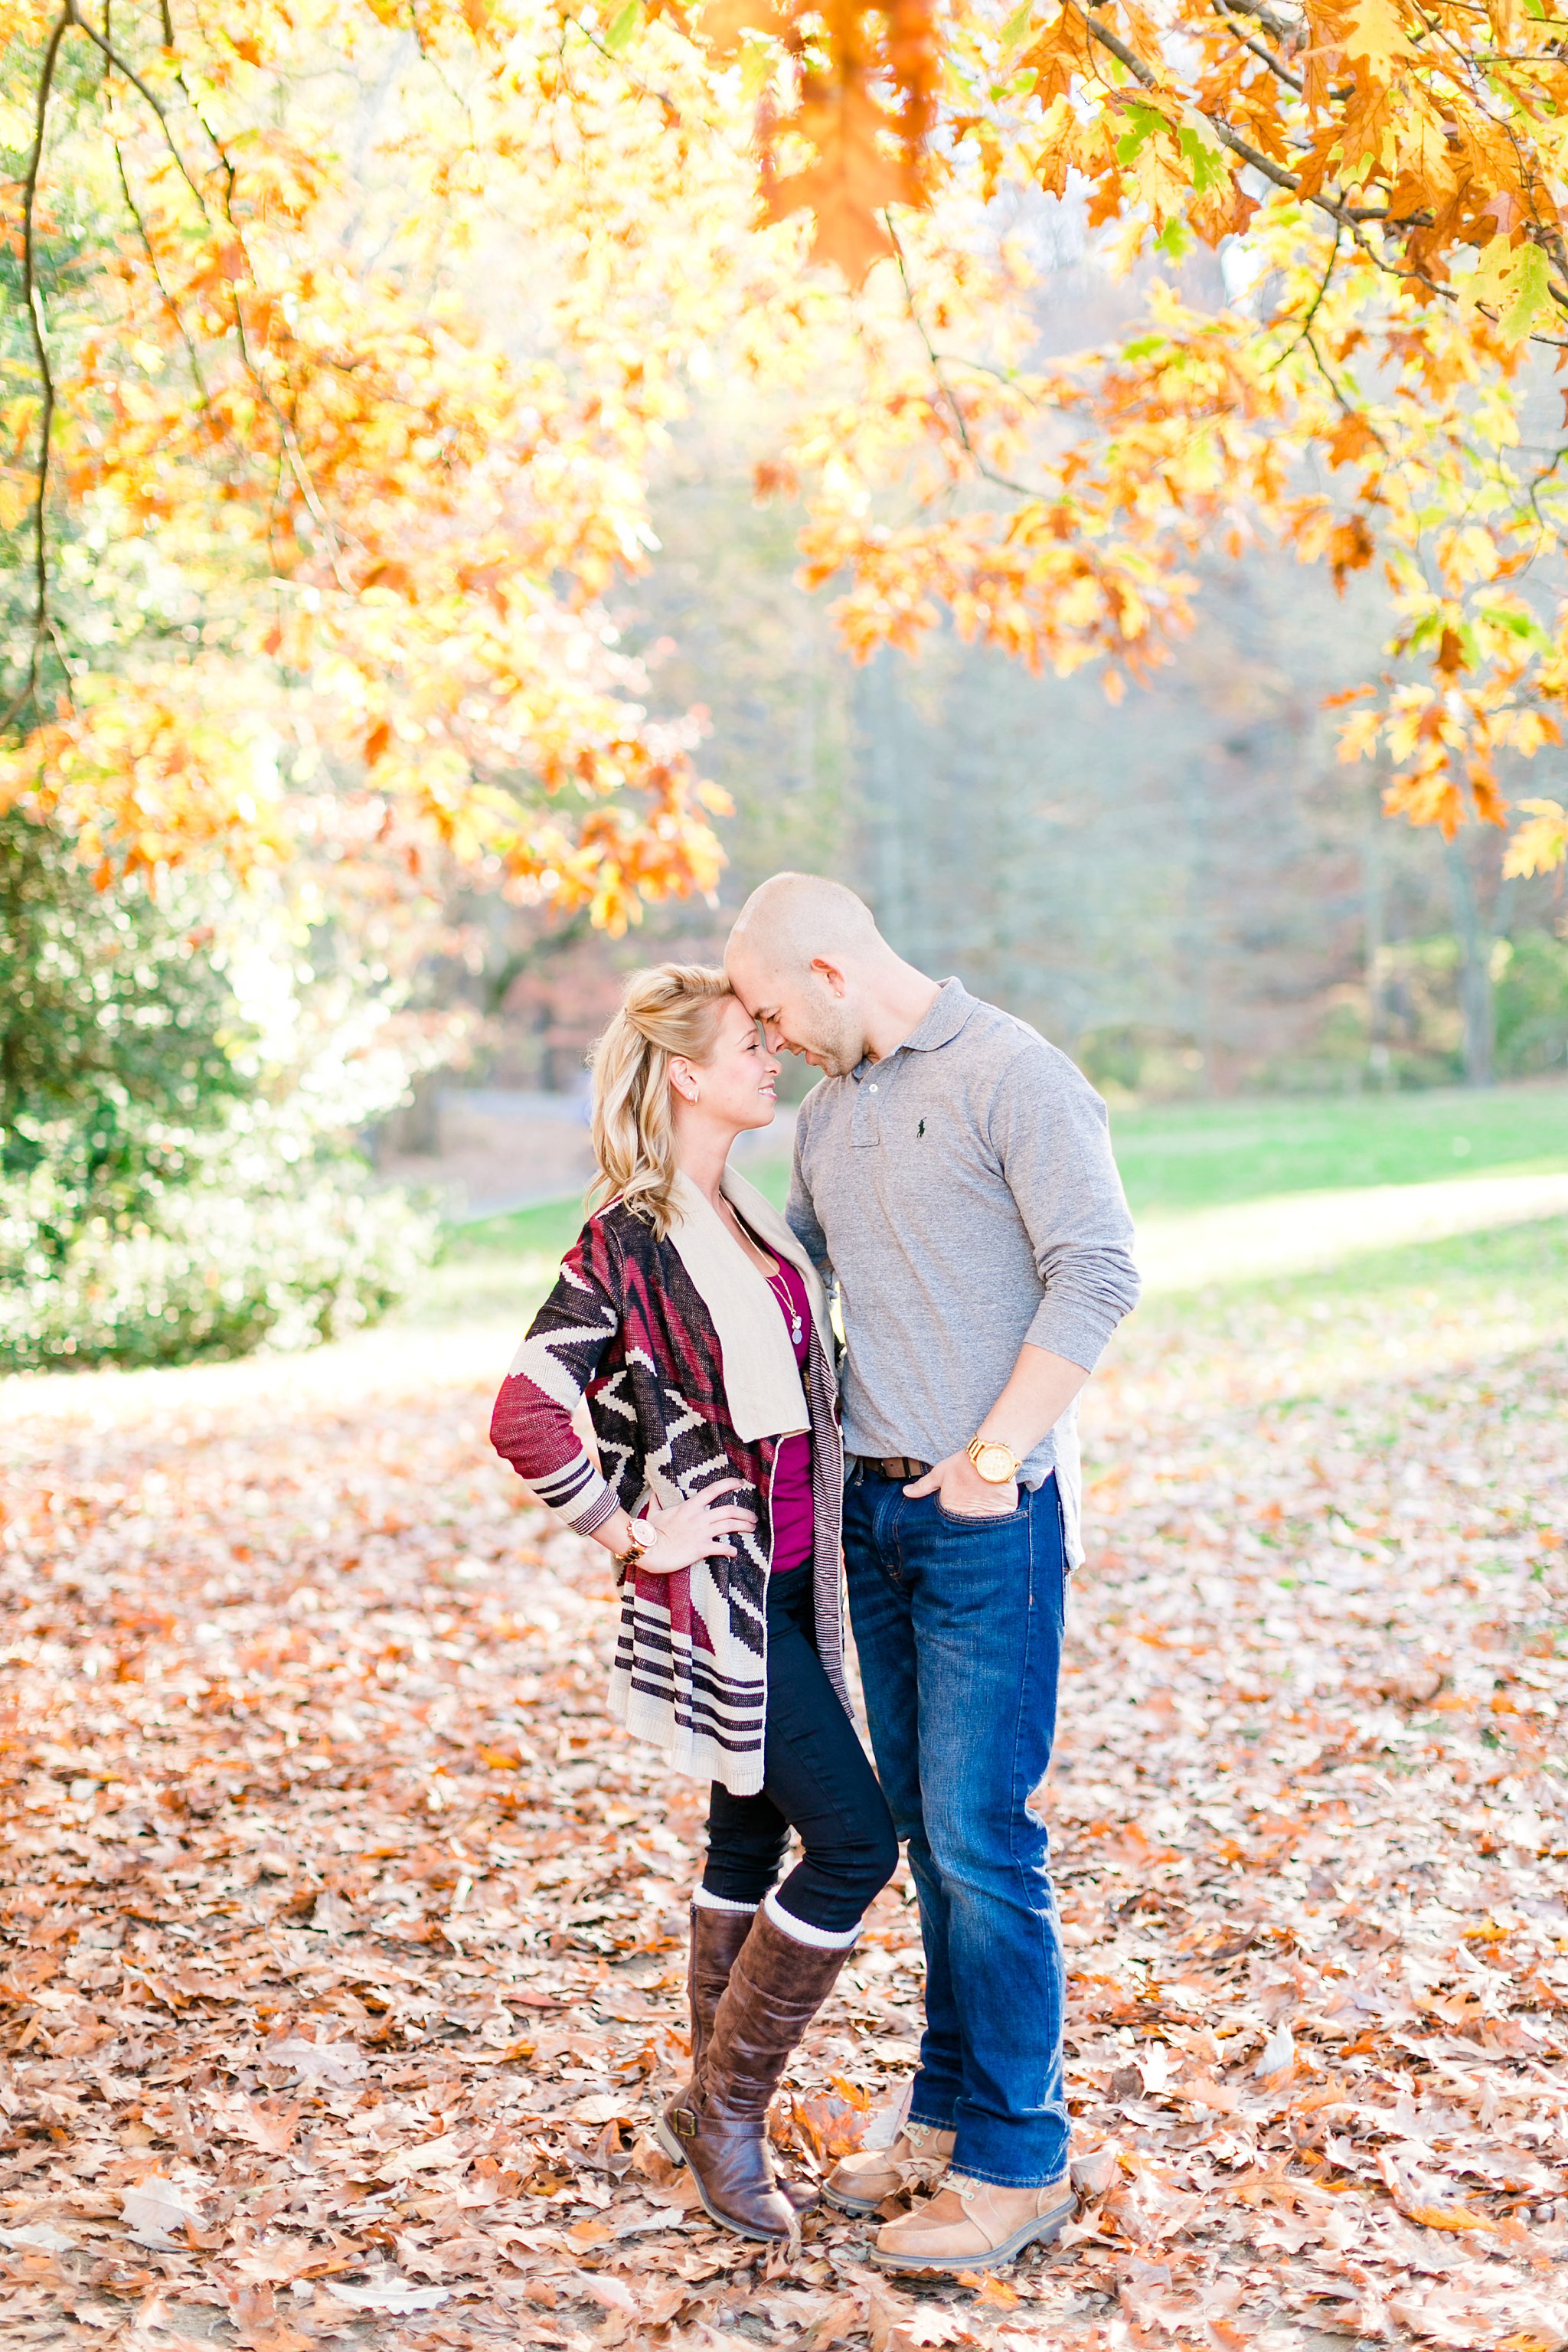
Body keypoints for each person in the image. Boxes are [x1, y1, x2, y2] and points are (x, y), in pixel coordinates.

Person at [726, 876, 1142, 2280]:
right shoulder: (831, 1117)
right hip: (876, 1519)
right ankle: (947, 2117)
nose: (774, 1041)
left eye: (778, 1011)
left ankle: (1020, 2160)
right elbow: (799, 1290)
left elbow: (1096, 1272)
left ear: (832, 971)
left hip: (990, 1519)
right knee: (925, 1828)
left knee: (981, 1837)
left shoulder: (1016, 1075)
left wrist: (995, 1452)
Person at [489, 963, 897, 2245]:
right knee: (855, 1847)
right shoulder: (631, 1236)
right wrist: (631, 1533)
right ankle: (728, 2112)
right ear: (685, 1073)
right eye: (750, 1045)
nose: (772, 1058)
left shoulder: (745, 1212)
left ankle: (702, 2106)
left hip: (791, 1579)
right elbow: (524, 1408)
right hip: (727, 1599)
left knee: (745, 1840)